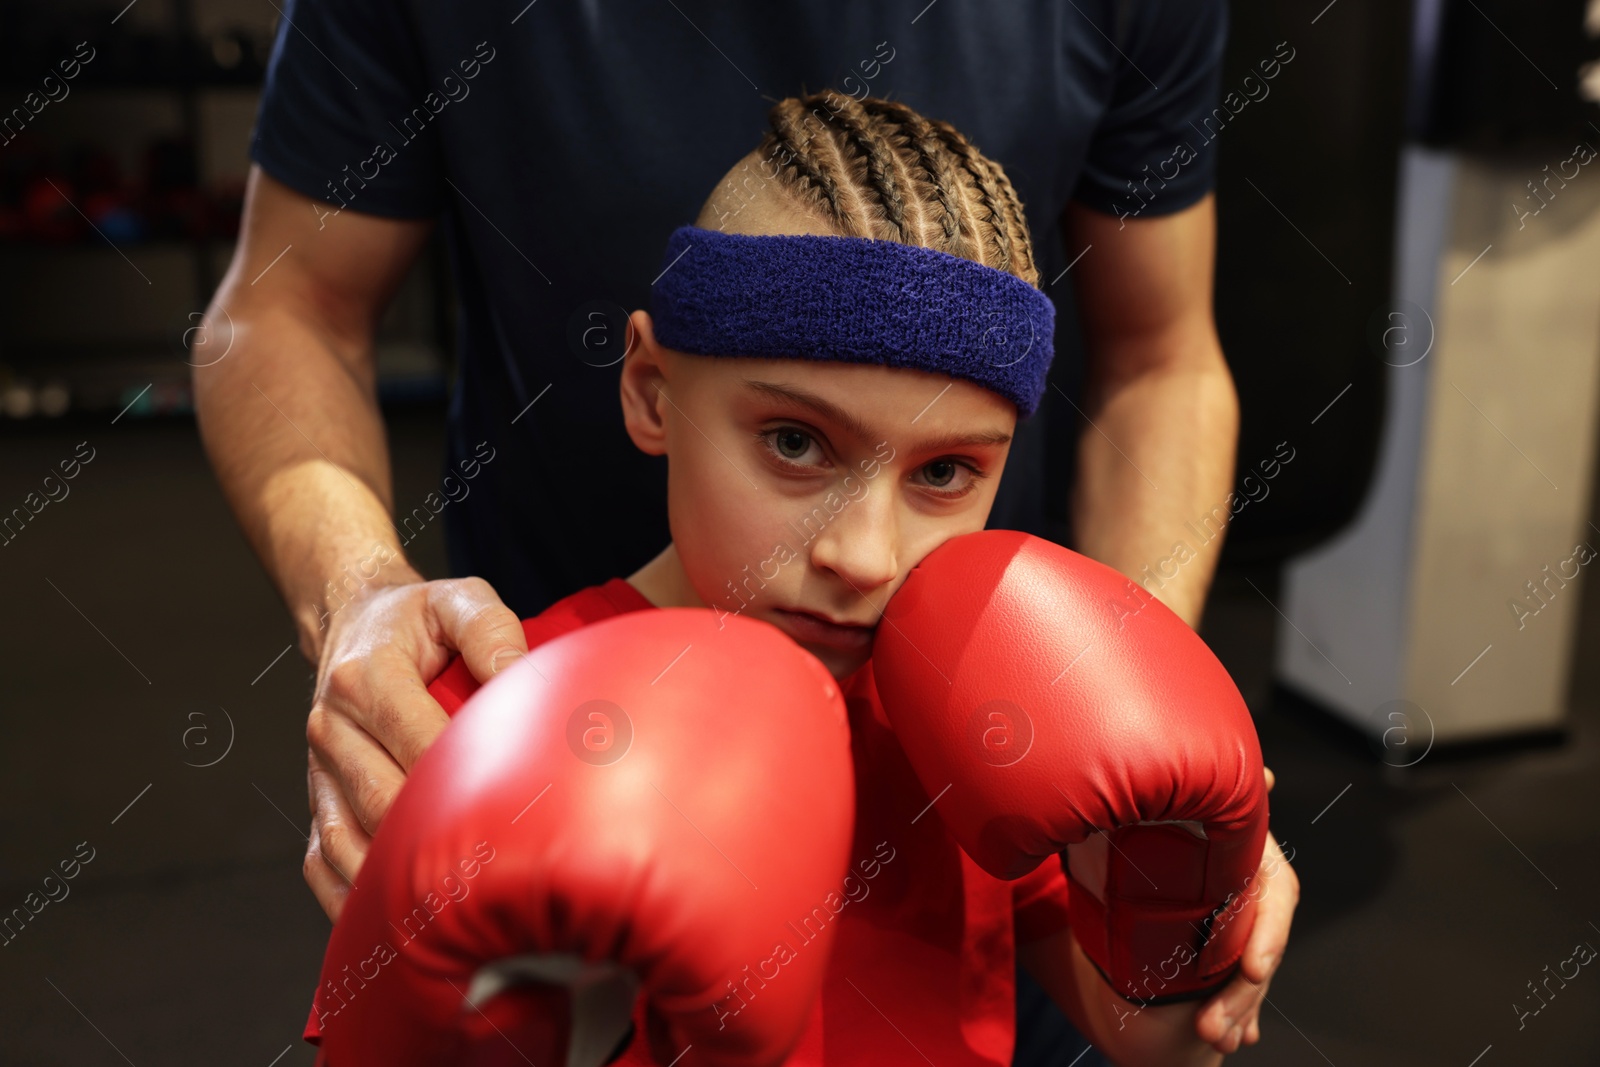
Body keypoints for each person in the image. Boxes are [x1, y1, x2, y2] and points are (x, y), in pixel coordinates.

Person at [190, 1, 1267, 1061]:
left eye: (946, 471)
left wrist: (1187, 904)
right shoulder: (490, 710)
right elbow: (286, 306)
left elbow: (1159, 1036)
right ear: (652, 391)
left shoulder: (979, 726)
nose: (862, 554)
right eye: (794, 442)